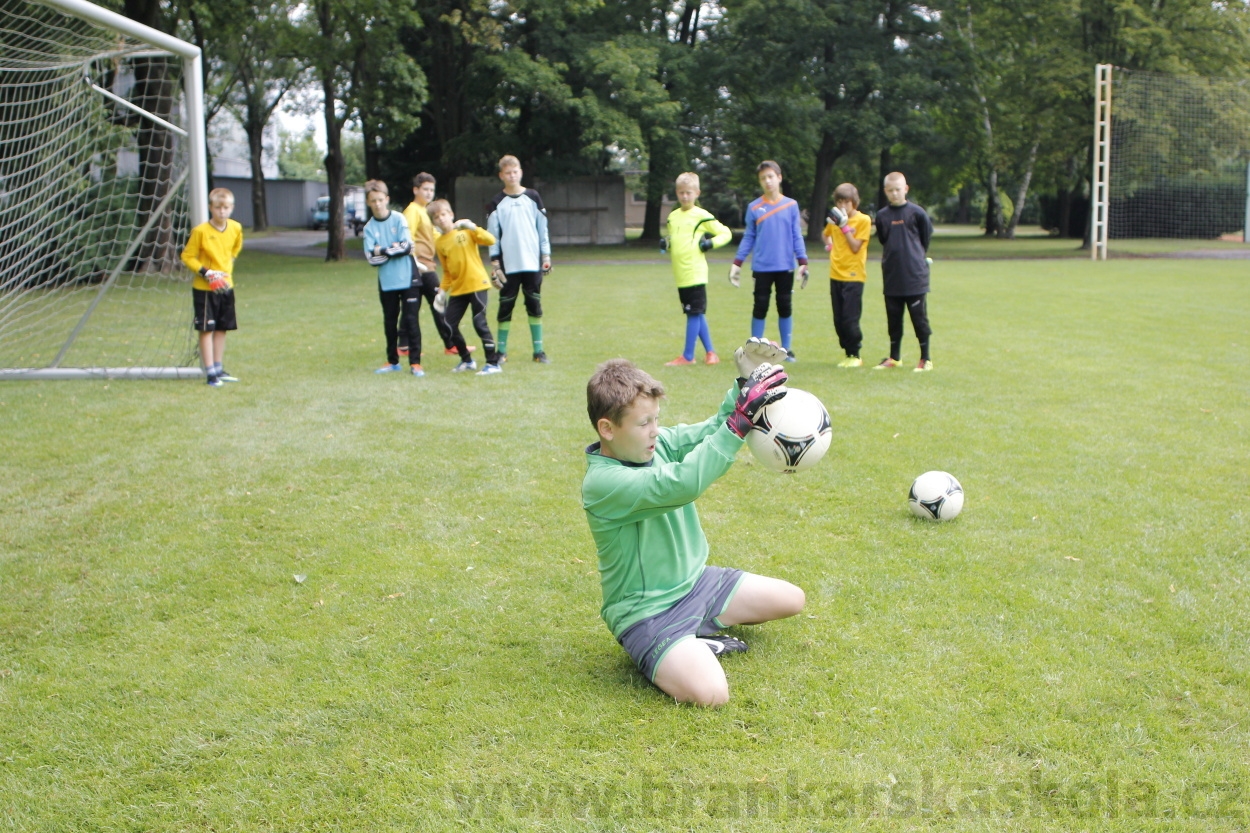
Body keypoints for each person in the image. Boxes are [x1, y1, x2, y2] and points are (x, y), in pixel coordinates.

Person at [581, 339, 807, 706]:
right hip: (647, 613)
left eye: (656, 418)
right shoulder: (604, 484)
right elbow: (681, 483)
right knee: (712, 694)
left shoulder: (657, 444)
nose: (655, 430)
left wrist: (743, 384)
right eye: (643, 423)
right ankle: (684, 647)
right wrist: (738, 424)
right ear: (607, 429)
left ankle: (697, 634)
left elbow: (711, 430)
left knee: (792, 599)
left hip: (697, 584)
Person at [729, 161, 809, 362]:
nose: (767, 181)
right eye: (763, 178)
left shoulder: (790, 205)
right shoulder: (754, 207)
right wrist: (737, 263)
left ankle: (787, 349)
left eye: (771, 176)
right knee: (760, 305)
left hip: (785, 266)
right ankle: (753, 349)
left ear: (779, 178)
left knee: (785, 306)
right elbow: (749, 237)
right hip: (762, 266)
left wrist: (802, 261)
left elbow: (796, 234)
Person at [661, 172, 733, 367]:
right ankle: (711, 353)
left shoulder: (701, 215)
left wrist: (709, 244)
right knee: (697, 313)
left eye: (689, 193)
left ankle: (688, 355)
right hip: (680, 274)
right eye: (681, 192)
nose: (685, 196)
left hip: (695, 273)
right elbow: (676, 241)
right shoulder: (672, 217)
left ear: (697, 193)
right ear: (676, 193)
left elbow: (725, 233)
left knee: (693, 313)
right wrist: (666, 244)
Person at [486, 155, 552, 364]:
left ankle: (538, 352)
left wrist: (546, 255)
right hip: (508, 265)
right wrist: (495, 263)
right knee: (505, 307)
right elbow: (492, 237)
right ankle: (501, 352)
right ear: (501, 175)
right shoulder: (496, 203)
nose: (512, 175)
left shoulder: (533, 197)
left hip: (532, 263)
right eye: (507, 172)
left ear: (521, 172)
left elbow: (543, 230)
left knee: (534, 305)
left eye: (515, 171)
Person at [428, 199, 503, 376]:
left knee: (479, 322)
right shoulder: (440, 243)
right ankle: (467, 360)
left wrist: (472, 227)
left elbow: (490, 240)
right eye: (436, 217)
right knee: (448, 324)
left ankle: (493, 363)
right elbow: (447, 271)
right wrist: (441, 291)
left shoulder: (465, 231)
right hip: (459, 289)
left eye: (444, 215)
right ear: (434, 221)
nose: (441, 219)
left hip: (477, 284)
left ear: (451, 214)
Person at [872, 171, 935, 372]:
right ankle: (894, 357)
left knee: (919, 318)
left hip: (914, 276)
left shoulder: (917, 213)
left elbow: (925, 238)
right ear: (885, 192)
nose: (895, 194)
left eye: (898, 189)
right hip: (892, 276)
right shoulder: (882, 216)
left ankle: (925, 359)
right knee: (894, 319)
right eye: (890, 191)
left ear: (905, 189)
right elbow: (884, 239)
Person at [181, 187, 244, 387]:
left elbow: (236, 247)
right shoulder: (200, 232)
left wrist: (229, 263)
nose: (222, 211)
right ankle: (210, 373)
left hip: (225, 286)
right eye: (218, 207)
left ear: (231, 208)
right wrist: (207, 273)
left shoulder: (236, 228)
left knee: (222, 328)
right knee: (207, 329)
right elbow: (187, 256)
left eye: (226, 207)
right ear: (211, 208)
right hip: (205, 289)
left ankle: (218, 368)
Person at [363, 180, 423, 376]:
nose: (378, 204)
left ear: (387, 199)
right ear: (368, 202)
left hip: (409, 278)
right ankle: (392, 361)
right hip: (387, 282)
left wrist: (382, 249)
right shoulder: (369, 228)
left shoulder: (398, 219)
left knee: (411, 320)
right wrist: (393, 249)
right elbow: (372, 259)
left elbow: (407, 246)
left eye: (380, 200)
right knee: (390, 322)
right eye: (373, 201)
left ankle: (415, 363)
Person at [401, 172, 463, 360]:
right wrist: (414, 261)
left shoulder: (426, 211)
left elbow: (433, 236)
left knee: (413, 305)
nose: (429, 193)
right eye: (425, 189)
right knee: (438, 302)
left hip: (425, 264)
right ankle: (451, 343)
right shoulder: (413, 210)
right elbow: (406, 236)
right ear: (416, 190)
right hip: (419, 266)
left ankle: (403, 345)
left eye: (431, 190)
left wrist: (450, 240)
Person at [821, 182, 873, 367]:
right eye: (840, 202)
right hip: (836, 273)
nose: (843, 206)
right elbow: (825, 233)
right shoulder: (835, 219)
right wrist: (829, 244)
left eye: (847, 202)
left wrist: (844, 227)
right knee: (838, 320)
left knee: (850, 319)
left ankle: (855, 354)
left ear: (854, 202)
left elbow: (856, 246)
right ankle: (847, 353)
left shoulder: (863, 220)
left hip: (854, 275)